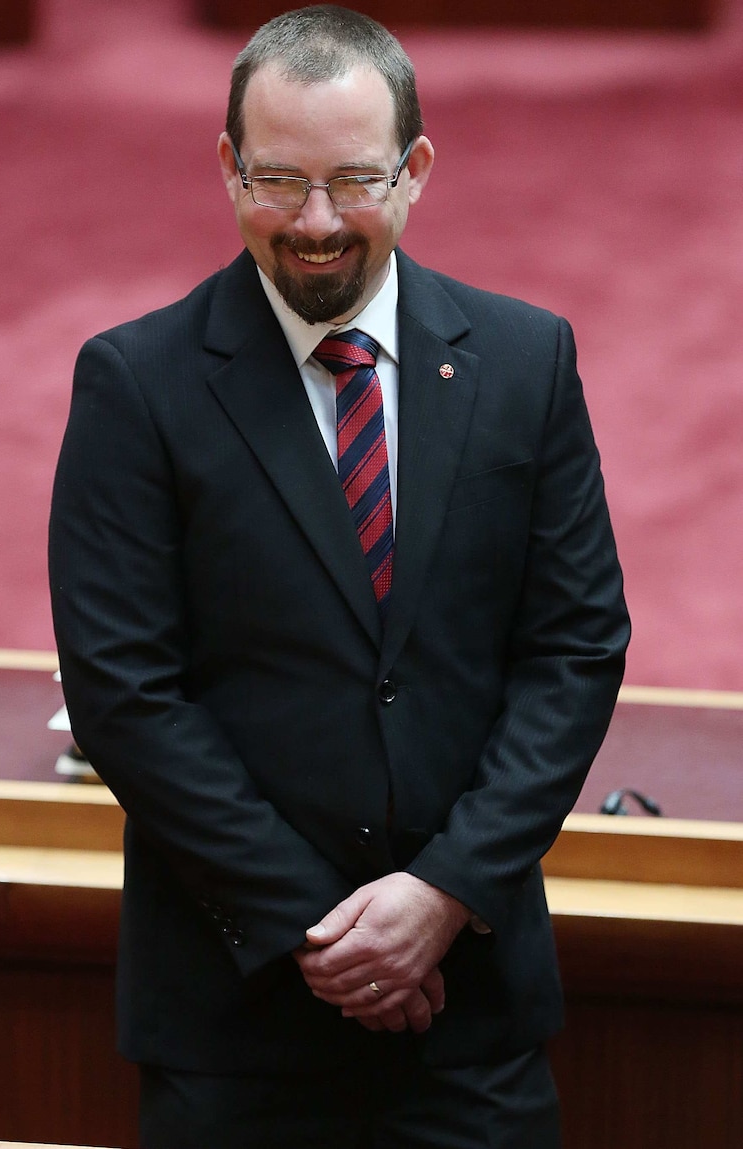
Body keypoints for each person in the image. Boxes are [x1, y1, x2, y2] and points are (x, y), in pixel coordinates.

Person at [48, 6, 630, 1147]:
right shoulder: (137, 383)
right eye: (278, 181)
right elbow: (124, 692)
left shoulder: (525, 361)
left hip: (469, 1009)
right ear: (226, 168)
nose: (315, 225)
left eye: (353, 182)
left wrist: (443, 895)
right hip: (237, 1017)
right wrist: (327, 934)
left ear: (414, 170)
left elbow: (574, 647)